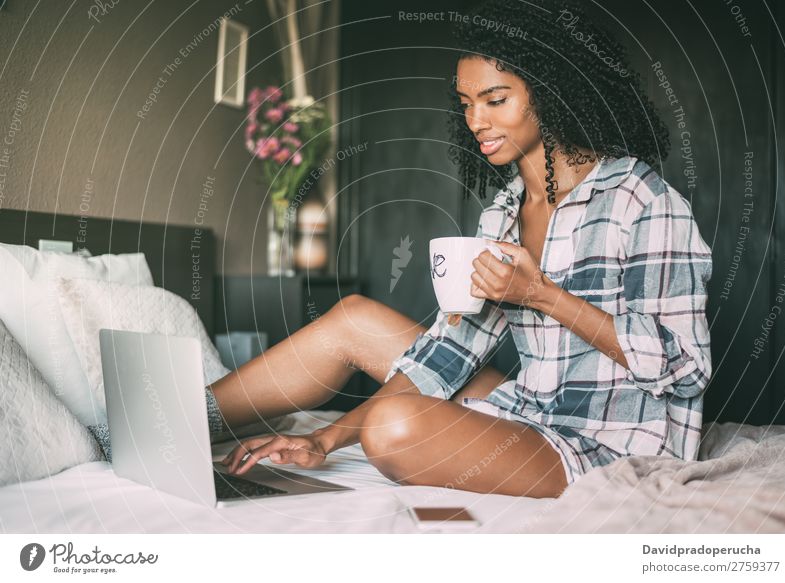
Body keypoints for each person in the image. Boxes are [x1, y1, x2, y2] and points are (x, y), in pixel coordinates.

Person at [218, 0, 713, 499]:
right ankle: (176, 418)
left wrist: (542, 295)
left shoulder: (641, 200)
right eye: (465, 102)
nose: (476, 120)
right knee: (354, 319)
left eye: (495, 100)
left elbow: (686, 369)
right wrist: (320, 441)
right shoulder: (502, 215)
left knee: (392, 428)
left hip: (616, 441)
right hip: (532, 410)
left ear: (551, 93)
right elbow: (449, 354)